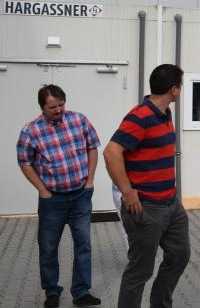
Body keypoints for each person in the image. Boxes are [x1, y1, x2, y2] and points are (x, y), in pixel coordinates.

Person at [104, 64, 191, 308]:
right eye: (181, 86)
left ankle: (160, 304)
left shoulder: (165, 113)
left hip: (171, 205)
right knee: (140, 271)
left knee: (180, 255)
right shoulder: (140, 116)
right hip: (146, 209)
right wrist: (128, 192)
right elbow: (111, 153)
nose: (181, 90)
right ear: (174, 90)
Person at [16, 84, 102, 308]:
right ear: (42, 107)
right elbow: (24, 162)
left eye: (61, 105)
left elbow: (93, 146)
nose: (58, 110)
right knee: (48, 247)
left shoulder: (79, 120)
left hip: (81, 195)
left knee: (84, 244)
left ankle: (81, 292)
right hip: (52, 199)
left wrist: (90, 180)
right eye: (52, 106)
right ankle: (52, 292)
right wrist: (42, 191)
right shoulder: (30, 131)